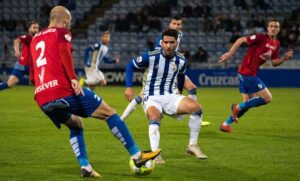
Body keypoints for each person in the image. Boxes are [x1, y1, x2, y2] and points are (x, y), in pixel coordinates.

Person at [29, 6, 161, 178]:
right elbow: (64, 52)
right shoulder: (61, 32)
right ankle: (137, 156)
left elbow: (32, 74)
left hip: (42, 97)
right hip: (62, 90)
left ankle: (85, 166)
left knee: (76, 125)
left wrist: (41, 88)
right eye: (69, 23)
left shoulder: (34, 39)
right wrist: (73, 78)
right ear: (66, 20)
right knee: (110, 113)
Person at [125, 28, 207, 164]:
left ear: (176, 43)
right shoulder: (150, 56)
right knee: (154, 117)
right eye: (166, 42)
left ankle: (192, 145)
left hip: (170, 96)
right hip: (151, 97)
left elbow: (181, 78)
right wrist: (129, 87)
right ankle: (155, 153)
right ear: (161, 43)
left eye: (171, 42)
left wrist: (179, 94)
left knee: (197, 108)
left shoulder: (181, 60)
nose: (168, 45)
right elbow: (130, 66)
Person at [121, 16, 210, 127]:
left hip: (173, 69)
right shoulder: (162, 38)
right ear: (170, 24)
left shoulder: (179, 35)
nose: (177, 26)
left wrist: (178, 56)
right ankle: (122, 119)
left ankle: (194, 116)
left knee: (192, 87)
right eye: (174, 24)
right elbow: (159, 56)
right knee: (142, 96)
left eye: (179, 24)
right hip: (156, 71)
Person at [219, 19, 294, 133]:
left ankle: (225, 124)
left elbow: (274, 63)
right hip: (247, 72)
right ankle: (237, 107)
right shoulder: (260, 37)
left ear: (279, 29)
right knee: (267, 98)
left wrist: (284, 58)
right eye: (271, 26)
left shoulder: (276, 44)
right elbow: (240, 40)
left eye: (276, 26)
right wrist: (229, 54)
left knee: (247, 104)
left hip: (249, 72)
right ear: (267, 28)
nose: (273, 28)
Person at [0, 21, 39, 91]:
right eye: (34, 28)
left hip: (32, 67)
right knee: (10, 84)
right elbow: (16, 41)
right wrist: (17, 51)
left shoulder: (38, 39)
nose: (36, 29)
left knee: (41, 84)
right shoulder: (27, 37)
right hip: (21, 65)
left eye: (37, 28)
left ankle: (48, 99)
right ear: (29, 29)